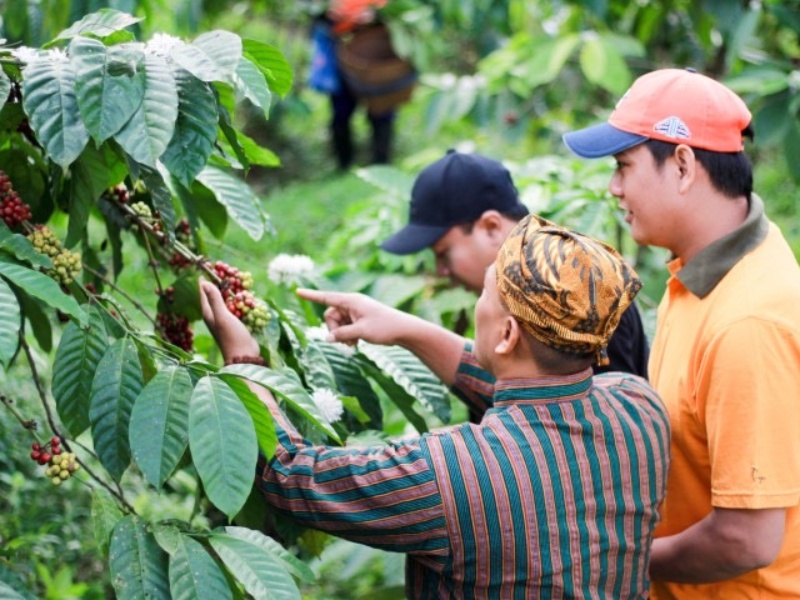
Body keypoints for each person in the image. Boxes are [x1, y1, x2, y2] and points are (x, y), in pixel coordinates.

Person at [200, 214, 670, 598]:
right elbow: (531, 389)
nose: (477, 307)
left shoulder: (449, 473)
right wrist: (405, 329)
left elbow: (292, 475)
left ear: (506, 334)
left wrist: (245, 361)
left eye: (485, 295)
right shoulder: (638, 406)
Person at [563, 67, 800, 598]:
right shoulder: (699, 272)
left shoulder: (748, 323)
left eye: (623, 166)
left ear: (685, 165)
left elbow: (747, 540)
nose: (613, 188)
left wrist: (611, 561)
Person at [380, 149, 650, 378]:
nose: (441, 271)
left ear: (491, 227)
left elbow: (590, 422)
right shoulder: (515, 295)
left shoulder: (574, 289)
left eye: (443, 253)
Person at [310, 0, 406, 169]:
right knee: (341, 113)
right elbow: (315, 14)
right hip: (340, 53)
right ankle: (344, 164)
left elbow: (397, 12)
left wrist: (374, 15)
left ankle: (382, 161)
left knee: (382, 111)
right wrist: (329, 14)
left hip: (376, 51)